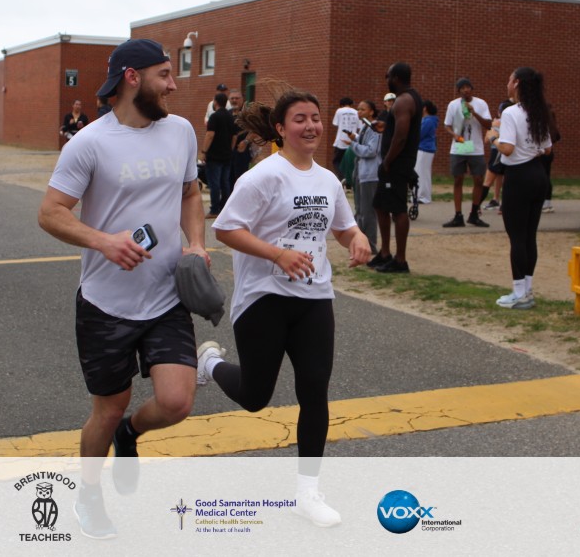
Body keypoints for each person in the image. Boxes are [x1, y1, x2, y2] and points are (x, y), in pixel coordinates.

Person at [37, 38, 208, 539]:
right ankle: (89, 496)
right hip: (105, 303)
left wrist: (196, 243)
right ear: (132, 77)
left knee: (176, 402)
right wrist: (104, 241)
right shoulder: (89, 142)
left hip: (166, 295)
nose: (173, 85)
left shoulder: (180, 131)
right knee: (108, 409)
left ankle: (131, 434)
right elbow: (50, 212)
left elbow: (190, 193)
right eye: (164, 75)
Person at [198, 88, 370, 528]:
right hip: (264, 298)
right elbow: (226, 229)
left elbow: (343, 228)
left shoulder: (328, 180)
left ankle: (307, 493)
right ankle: (210, 363)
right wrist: (277, 254)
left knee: (314, 391)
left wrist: (357, 238)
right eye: (300, 119)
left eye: (315, 118)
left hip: (314, 298)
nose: (311, 126)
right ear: (280, 128)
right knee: (256, 397)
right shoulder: (263, 177)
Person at [486, 67, 553, 309]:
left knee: (516, 237)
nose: (507, 84)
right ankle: (527, 290)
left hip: (518, 176)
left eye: (509, 79)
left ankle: (518, 292)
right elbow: (547, 148)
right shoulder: (539, 111)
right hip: (538, 174)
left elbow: (507, 149)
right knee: (529, 236)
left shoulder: (511, 112)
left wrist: (493, 136)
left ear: (516, 83)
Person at [371, 62, 423, 273]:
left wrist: (388, 161)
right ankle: (385, 253)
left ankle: (400, 260)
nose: (386, 80)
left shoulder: (403, 100)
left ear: (397, 78)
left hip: (397, 164)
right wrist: (386, 128)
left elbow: (401, 137)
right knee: (380, 205)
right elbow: (398, 129)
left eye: (388, 76)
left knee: (398, 210)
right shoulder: (410, 99)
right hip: (395, 163)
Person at [442, 77, 491, 228]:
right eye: (462, 88)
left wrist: (474, 113)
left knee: (478, 179)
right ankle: (458, 215)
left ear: (472, 88)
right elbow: (447, 125)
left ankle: (474, 214)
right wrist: (454, 135)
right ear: (458, 91)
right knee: (458, 179)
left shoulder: (481, 103)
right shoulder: (453, 104)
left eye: (468, 87)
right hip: (460, 145)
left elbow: (488, 124)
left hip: (475, 147)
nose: (465, 90)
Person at [348, 99, 383, 255]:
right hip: (360, 173)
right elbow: (364, 143)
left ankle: (370, 244)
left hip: (370, 175)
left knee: (368, 211)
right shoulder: (364, 127)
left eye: (363, 109)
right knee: (360, 209)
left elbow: (371, 150)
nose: (359, 112)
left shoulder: (375, 128)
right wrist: (354, 138)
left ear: (371, 112)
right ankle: (360, 242)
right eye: (358, 109)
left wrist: (353, 145)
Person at [201, 91, 236, 218]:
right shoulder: (231, 117)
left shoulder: (214, 117)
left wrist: (204, 151)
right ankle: (224, 208)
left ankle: (214, 210)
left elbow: (210, 135)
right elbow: (234, 136)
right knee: (225, 182)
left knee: (214, 183)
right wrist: (230, 149)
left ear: (215, 102)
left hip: (214, 156)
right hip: (227, 155)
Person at [482, 99, 512, 212]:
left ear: (500, 112)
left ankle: (476, 207)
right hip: (510, 152)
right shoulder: (513, 122)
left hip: (497, 152)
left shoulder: (496, 123)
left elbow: (486, 140)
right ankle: (501, 203)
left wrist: (493, 132)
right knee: (504, 179)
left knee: (487, 181)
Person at [228, 89, 254, 189]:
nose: (234, 100)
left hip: (241, 152)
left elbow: (256, 131)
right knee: (228, 181)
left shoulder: (248, 115)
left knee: (240, 179)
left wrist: (246, 142)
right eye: (232, 98)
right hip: (228, 153)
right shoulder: (228, 114)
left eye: (237, 98)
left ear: (242, 99)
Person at [414, 100, 438, 204]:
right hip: (424, 149)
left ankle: (423, 196)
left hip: (424, 149)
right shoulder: (428, 120)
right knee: (422, 172)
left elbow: (419, 134)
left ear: (424, 108)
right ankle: (421, 195)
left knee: (422, 173)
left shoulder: (428, 121)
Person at [330, 97, 360, 181]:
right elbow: (359, 127)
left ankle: (342, 178)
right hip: (352, 141)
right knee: (350, 162)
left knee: (336, 161)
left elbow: (335, 123)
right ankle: (350, 180)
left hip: (340, 141)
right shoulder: (356, 112)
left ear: (341, 104)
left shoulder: (339, 111)